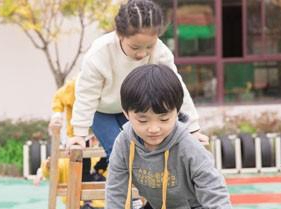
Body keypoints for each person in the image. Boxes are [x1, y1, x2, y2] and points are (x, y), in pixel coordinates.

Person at [104, 64, 243, 209]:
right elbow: (116, 190)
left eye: (164, 119)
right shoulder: (124, 142)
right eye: (142, 120)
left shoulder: (188, 146)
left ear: (177, 112)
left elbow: (215, 191)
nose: (153, 128)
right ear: (126, 113)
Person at [68, 0, 209, 161]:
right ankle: (120, 185)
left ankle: (148, 185)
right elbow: (87, 95)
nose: (142, 54)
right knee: (119, 151)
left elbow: (176, 90)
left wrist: (193, 129)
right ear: (120, 35)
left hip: (135, 109)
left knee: (147, 151)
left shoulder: (161, 52)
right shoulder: (100, 53)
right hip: (101, 111)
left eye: (149, 47)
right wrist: (79, 133)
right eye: (135, 47)